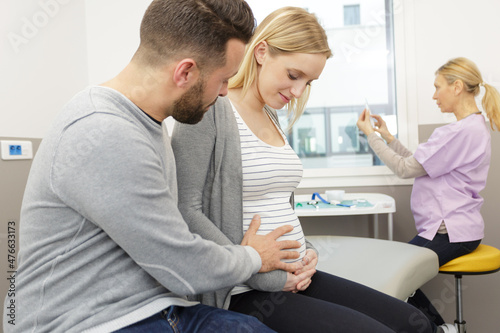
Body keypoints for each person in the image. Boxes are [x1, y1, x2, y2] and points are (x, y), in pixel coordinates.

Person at [3, 1, 308, 332]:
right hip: (83, 322)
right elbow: (182, 264)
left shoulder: (149, 122)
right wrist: (254, 257)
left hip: (154, 307)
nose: (224, 93)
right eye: (223, 80)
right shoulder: (103, 130)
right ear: (185, 72)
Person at [171, 6, 436, 333]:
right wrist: (260, 272)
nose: (297, 92)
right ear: (262, 52)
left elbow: (278, 205)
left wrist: (307, 251)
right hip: (244, 289)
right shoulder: (211, 110)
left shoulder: (273, 116)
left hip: (295, 275)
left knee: (417, 323)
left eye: (308, 82)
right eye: (294, 75)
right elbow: (186, 209)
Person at [357, 57, 500, 332]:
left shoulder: (458, 132)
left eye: (437, 87)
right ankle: (440, 328)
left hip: (451, 232)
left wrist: (370, 136)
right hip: (456, 229)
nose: (434, 95)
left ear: (457, 86)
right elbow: (421, 165)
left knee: (393, 273)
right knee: (394, 270)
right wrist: (388, 137)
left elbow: (404, 168)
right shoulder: (472, 128)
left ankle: (436, 329)